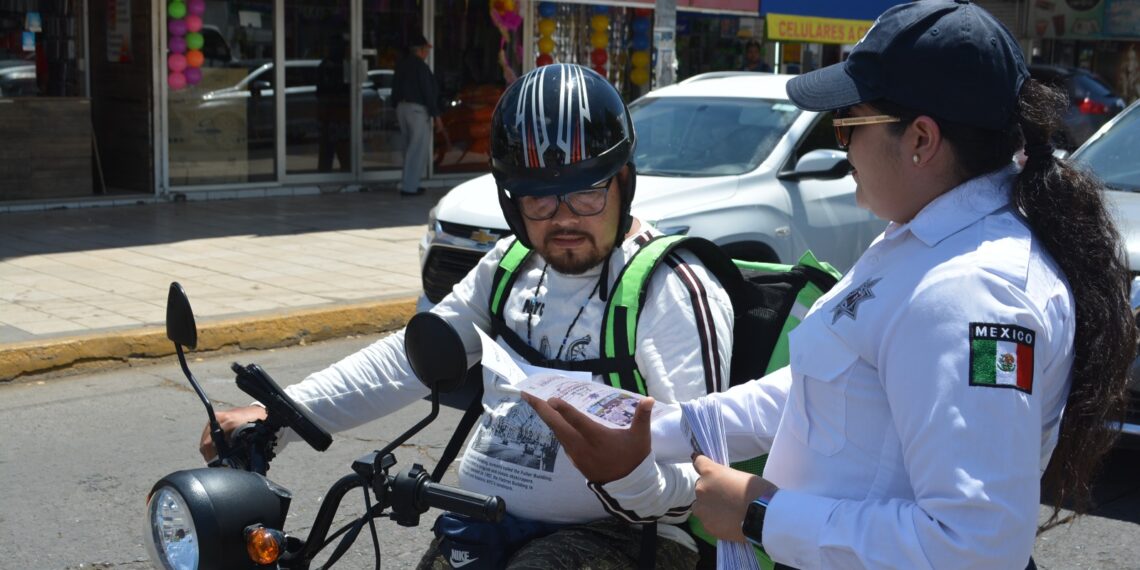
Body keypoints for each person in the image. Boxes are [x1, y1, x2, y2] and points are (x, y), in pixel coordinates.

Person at [526, 2, 1136, 568]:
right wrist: (654, 430)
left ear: (921, 140)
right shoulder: (922, 236)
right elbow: (820, 387)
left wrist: (759, 513)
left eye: (848, 124)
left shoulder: (972, 291)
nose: (840, 147)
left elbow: (974, 545)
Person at [201, 63, 733, 569]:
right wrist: (277, 414)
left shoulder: (671, 289)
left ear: (623, 181)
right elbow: (407, 361)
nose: (564, 218)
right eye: (539, 201)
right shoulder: (509, 266)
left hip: (630, 538)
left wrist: (629, 476)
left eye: (586, 193)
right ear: (511, 202)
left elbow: (707, 477)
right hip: (488, 524)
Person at [392, 32, 444, 196]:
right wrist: (436, 115)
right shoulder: (421, 67)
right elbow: (427, 92)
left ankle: (410, 184)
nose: (428, 52)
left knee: (409, 148)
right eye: (426, 49)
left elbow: (394, 89)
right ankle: (409, 187)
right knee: (417, 149)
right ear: (420, 50)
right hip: (417, 110)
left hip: (402, 108)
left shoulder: (402, 64)